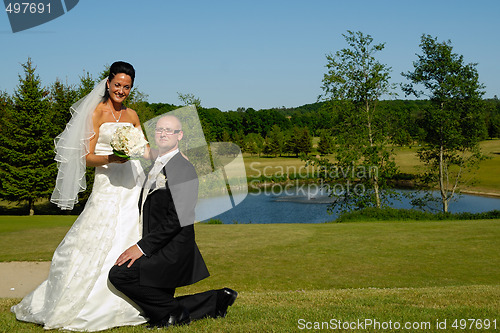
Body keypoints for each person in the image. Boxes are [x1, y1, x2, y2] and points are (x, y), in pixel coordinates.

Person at [11, 61, 148, 331]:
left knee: (131, 234)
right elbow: (86, 158)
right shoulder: (96, 113)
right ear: (108, 83)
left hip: (132, 183)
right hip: (108, 183)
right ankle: (90, 304)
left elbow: (143, 149)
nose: (121, 90)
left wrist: (169, 157)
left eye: (127, 87)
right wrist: (111, 157)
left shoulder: (132, 115)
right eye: (118, 84)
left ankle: (132, 302)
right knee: (94, 238)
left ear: (131, 89)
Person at [109, 114, 238, 329]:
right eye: (159, 129)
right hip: (159, 243)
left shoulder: (183, 168)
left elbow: (179, 217)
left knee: (120, 274)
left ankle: (174, 312)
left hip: (172, 248)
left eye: (169, 130)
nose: (163, 133)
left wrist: (142, 248)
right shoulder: (157, 165)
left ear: (180, 135)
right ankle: (216, 300)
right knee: (158, 305)